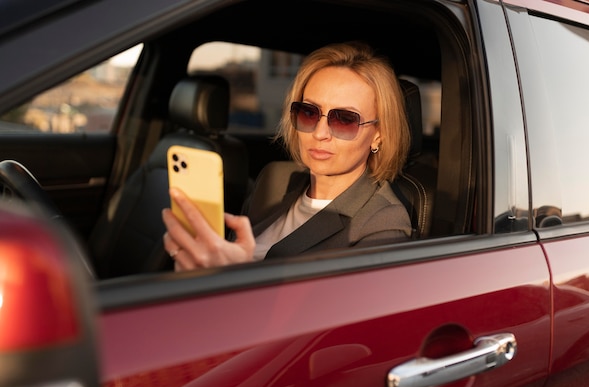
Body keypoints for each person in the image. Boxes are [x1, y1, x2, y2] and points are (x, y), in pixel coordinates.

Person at [162, 41, 412, 271]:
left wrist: (231, 280)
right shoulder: (275, 180)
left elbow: (333, 316)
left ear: (379, 135)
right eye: (309, 112)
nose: (320, 132)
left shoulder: (382, 223)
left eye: (345, 120)